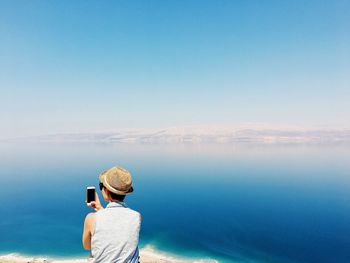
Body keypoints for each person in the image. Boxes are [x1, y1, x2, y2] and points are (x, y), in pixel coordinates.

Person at [82, 166, 141, 263]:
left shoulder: (91, 219)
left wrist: (100, 211)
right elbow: (117, 223)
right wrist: (99, 208)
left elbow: (87, 246)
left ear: (105, 190)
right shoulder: (136, 216)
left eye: (101, 186)